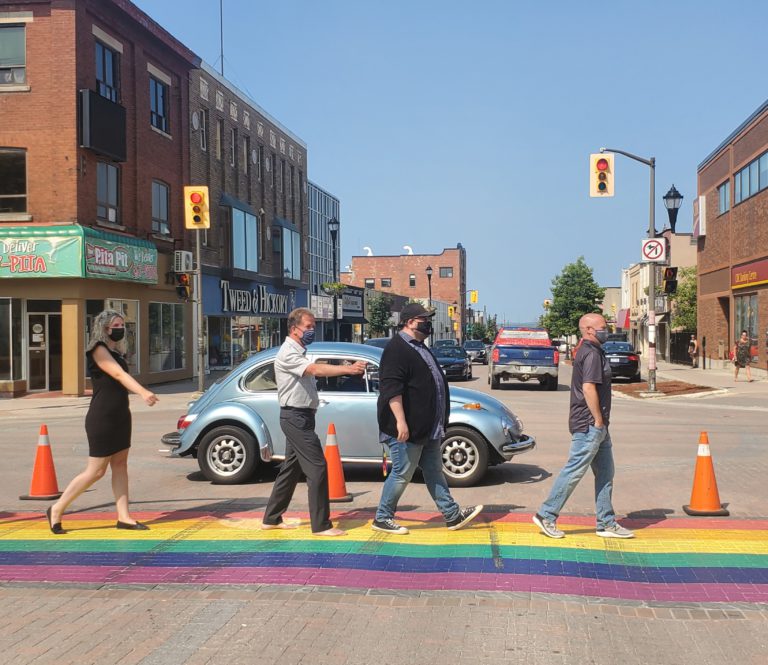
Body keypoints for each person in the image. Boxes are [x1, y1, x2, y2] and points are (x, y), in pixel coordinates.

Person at [372, 302, 483, 535]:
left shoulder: (420, 347)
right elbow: (392, 390)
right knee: (402, 472)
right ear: (410, 322)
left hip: (428, 427)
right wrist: (401, 422)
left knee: (433, 470)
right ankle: (382, 517)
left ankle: (452, 515)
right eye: (424, 320)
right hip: (409, 427)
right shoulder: (397, 350)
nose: (429, 324)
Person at [45, 310, 158, 534]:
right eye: (116, 324)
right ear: (105, 327)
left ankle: (124, 517)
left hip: (120, 415)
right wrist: (142, 392)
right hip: (102, 416)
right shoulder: (98, 349)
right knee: (96, 471)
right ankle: (56, 509)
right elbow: (117, 375)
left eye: (122, 324)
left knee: (120, 465)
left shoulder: (116, 351)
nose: (120, 328)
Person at [261, 308, 366, 537]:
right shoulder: (288, 352)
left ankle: (271, 518)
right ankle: (321, 525)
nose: (312, 331)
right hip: (295, 417)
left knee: (290, 469)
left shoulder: (299, 351)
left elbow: (316, 366)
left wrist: (343, 365)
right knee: (318, 467)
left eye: (313, 327)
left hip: (302, 417)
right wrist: (348, 368)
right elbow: (314, 370)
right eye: (308, 327)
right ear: (294, 329)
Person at [532, 313, 634, 540]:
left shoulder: (594, 351)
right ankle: (546, 514)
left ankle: (606, 522)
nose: (606, 329)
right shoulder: (590, 354)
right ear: (589, 330)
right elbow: (589, 388)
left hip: (599, 426)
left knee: (606, 472)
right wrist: (597, 420)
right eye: (602, 326)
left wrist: (602, 423)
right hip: (589, 424)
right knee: (574, 470)